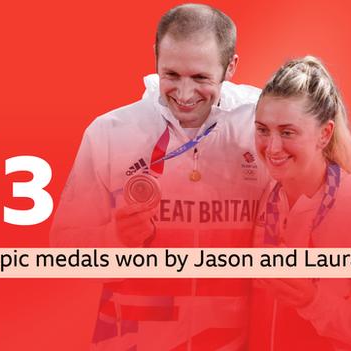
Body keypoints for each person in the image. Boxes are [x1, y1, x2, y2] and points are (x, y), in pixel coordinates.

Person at [51, 4, 270, 350]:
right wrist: (115, 237)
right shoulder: (109, 132)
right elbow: (62, 252)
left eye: (200, 78)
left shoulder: (261, 125)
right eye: (171, 75)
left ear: (231, 66)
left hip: (232, 341)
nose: (184, 95)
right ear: (155, 56)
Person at [249, 56, 351, 350]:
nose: (271, 147)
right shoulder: (268, 193)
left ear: (324, 134)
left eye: (287, 132)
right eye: (263, 130)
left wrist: (312, 300)